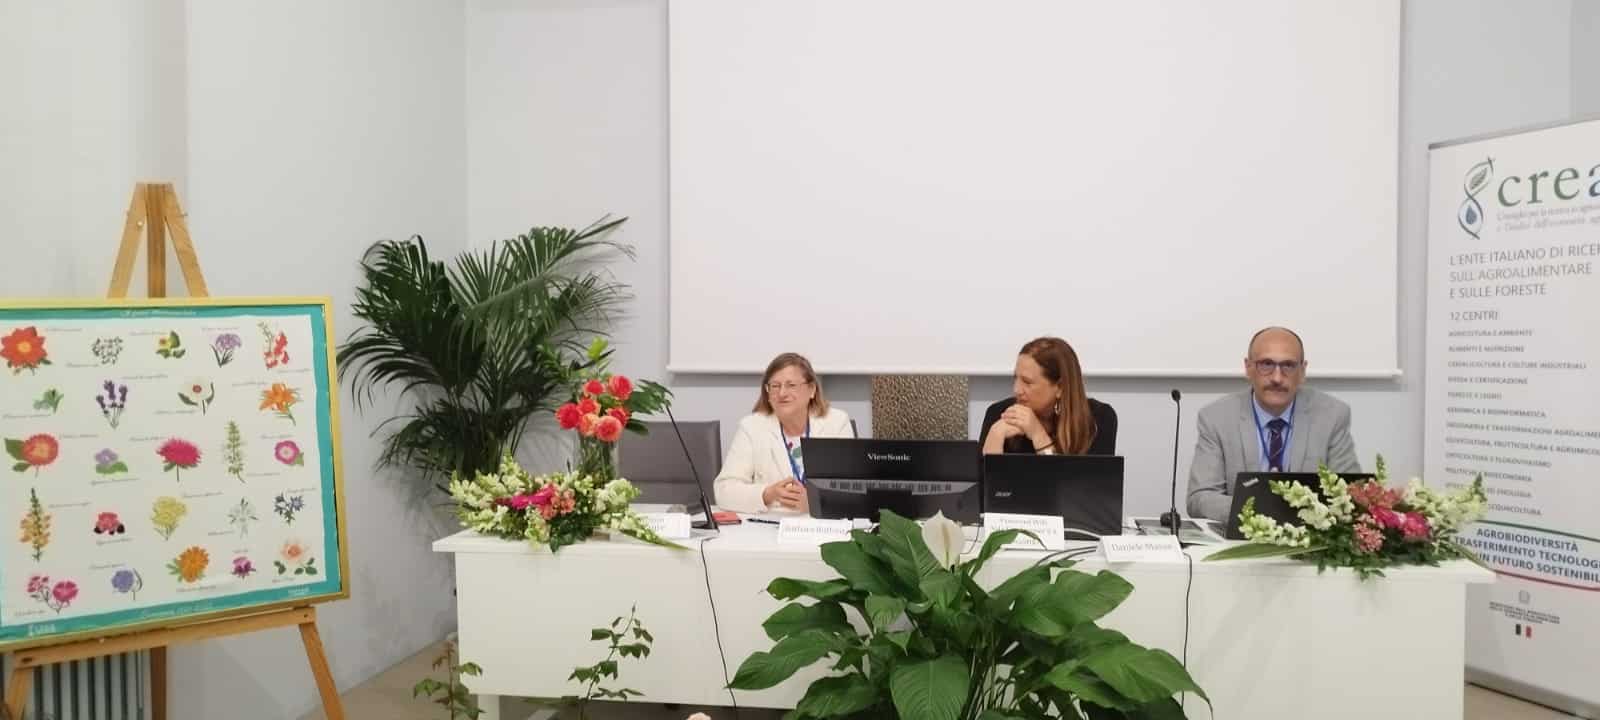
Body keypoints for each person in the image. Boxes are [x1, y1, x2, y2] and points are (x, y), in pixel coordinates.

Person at [1186, 326, 1361, 522]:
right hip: (1241, 533)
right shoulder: (1216, 417)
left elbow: (1351, 495)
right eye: (1266, 364)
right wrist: (1265, 511)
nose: (1277, 378)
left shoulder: (1332, 416)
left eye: (1288, 365)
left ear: (1302, 371)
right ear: (1248, 368)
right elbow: (1200, 499)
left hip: (1309, 534)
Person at [713, 352, 854, 514]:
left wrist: (815, 502)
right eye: (775, 386)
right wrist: (766, 494)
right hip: (771, 523)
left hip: (824, 523)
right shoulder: (751, 427)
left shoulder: (836, 423)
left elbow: (853, 490)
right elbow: (723, 490)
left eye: (791, 385)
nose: (782, 393)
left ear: (812, 389)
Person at [979, 337, 1117, 456]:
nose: (1016, 390)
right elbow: (985, 479)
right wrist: (995, 438)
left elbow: (1079, 479)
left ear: (1060, 387)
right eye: (1016, 378)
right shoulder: (998, 414)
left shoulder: (1098, 418)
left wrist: (1039, 436)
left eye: (1027, 382)